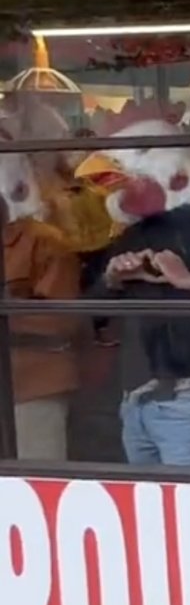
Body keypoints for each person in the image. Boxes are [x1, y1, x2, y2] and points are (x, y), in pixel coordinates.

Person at [75, 100, 190, 467]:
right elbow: (89, 310)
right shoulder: (130, 236)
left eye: (136, 152)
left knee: (188, 504)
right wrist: (112, 279)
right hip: (138, 395)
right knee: (151, 507)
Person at [0, 125, 84, 460]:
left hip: (32, 384)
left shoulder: (45, 241)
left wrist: (11, 312)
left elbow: (59, 320)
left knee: (39, 484)